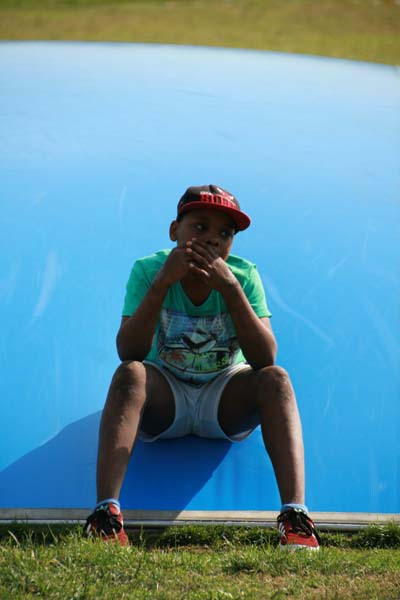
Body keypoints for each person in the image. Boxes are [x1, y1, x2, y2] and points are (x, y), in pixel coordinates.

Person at [84, 184, 320, 550]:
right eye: (200, 227)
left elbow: (264, 358)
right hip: (167, 393)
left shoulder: (243, 276)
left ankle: (295, 517)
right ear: (174, 231)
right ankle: (105, 515)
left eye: (225, 234)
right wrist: (163, 283)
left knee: (277, 380)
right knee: (130, 374)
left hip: (223, 395)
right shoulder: (149, 270)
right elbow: (129, 350)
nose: (212, 239)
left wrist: (231, 290)